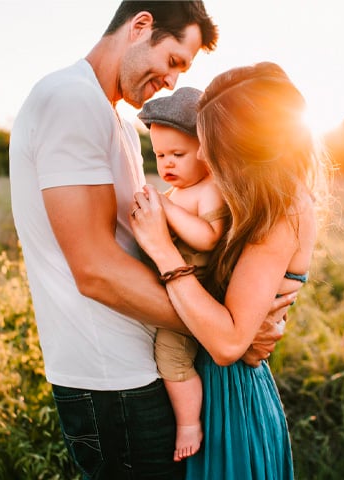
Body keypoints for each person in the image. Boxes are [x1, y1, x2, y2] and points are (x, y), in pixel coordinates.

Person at [9, 2, 293, 478]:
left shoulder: (116, 119)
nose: (173, 81)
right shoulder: (69, 99)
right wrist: (224, 334)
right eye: (174, 62)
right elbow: (96, 270)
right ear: (141, 26)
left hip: (143, 366)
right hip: (114, 379)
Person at [130, 62, 330, 480]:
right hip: (212, 384)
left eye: (210, 143)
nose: (201, 154)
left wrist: (163, 251)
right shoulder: (252, 200)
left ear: (247, 146)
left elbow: (227, 343)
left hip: (230, 399)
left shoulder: (282, 211)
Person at [137, 86, 228, 462]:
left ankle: (189, 422)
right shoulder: (179, 192)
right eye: (160, 155)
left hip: (196, 296)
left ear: (206, 153)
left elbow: (208, 238)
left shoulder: (210, 190)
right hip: (172, 289)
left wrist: (166, 209)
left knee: (170, 357)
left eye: (178, 154)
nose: (167, 164)